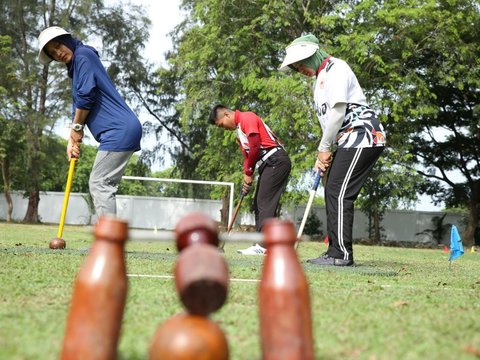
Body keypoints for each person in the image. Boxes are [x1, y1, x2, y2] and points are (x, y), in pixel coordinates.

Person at [279, 34, 386, 266]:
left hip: (363, 135)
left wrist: (324, 148)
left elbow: (338, 113)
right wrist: (323, 153)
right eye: (296, 68)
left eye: (301, 64)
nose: (300, 70)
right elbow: (330, 123)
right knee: (332, 190)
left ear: (313, 55)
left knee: (338, 192)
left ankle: (341, 255)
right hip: (347, 139)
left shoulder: (337, 67)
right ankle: (334, 251)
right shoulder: (320, 79)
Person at [37, 26, 142, 218]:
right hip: (118, 130)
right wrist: (72, 139)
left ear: (67, 40)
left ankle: (108, 243)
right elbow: (78, 103)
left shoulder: (83, 55)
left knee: (100, 182)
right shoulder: (77, 66)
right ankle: (109, 241)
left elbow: (86, 96)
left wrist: (77, 128)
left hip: (119, 129)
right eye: (52, 53)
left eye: (58, 45)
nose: (58, 53)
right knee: (102, 182)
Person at [209, 105, 291, 255]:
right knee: (258, 203)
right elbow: (248, 156)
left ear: (226, 115)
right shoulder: (239, 132)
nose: (224, 129)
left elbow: (254, 146)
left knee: (264, 203)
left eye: (221, 125)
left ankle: (264, 246)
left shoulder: (247, 117)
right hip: (267, 164)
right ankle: (263, 244)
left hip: (275, 160)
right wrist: (247, 177)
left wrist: (249, 171)